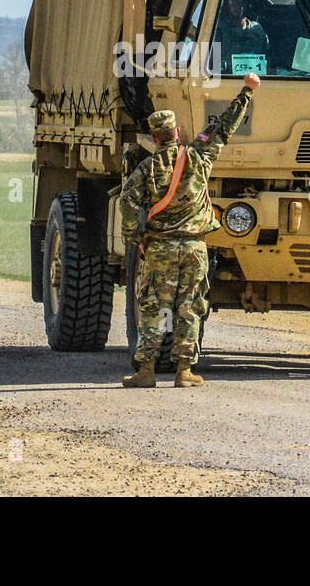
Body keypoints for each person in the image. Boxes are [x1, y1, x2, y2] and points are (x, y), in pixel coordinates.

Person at [119, 73, 261, 387]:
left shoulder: (147, 168)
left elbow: (127, 202)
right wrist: (247, 91)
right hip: (196, 248)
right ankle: (184, 372)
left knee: (155, 308)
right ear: (177, 133)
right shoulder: (197, 156)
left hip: (160, 248)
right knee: (190, 308)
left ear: (155, 139)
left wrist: (135, 237)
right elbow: (225, 125)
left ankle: (146, 372)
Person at [214, 0, 268, 73]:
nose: (237, 4)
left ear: (249, 2)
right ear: (226, 2)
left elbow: (267, 60)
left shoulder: (257, 30)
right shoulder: (217, 30)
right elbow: (211, 66)